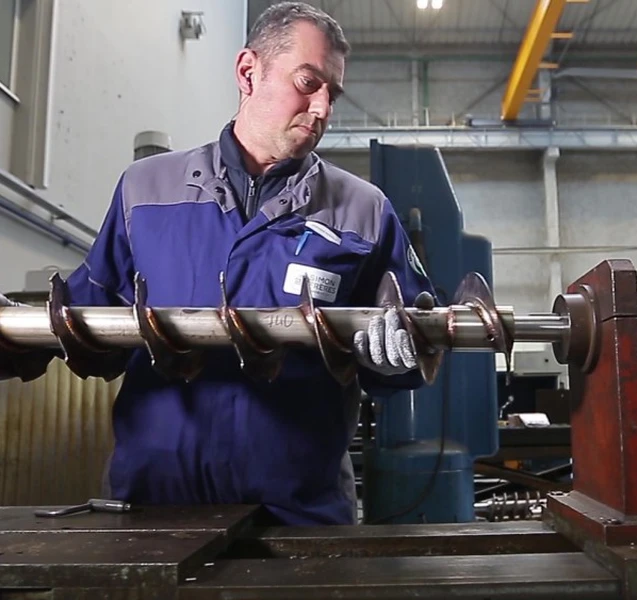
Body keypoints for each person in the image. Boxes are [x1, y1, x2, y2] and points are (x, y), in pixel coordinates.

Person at [0, 2, 435, 525]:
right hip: (152, 508)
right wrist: (14, 338)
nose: (322, 108)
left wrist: (398, 356)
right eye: (308, 83)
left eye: (332, 93)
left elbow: (413, 341)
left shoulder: (364, 211)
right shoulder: (146, 190)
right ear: (248, 72)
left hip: (300, 516)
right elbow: (89, 324)